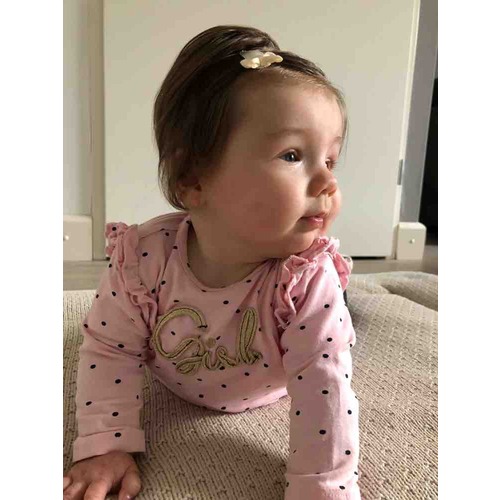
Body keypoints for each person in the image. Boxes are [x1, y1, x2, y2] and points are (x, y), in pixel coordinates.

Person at [63, 25, 360, 500]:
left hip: (278, 373)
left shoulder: (305, 281)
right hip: (179, 376)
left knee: (336, 331)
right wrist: (106, 443)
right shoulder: (143, 261)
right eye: (292, 155)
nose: (328, 182)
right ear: (193, 180)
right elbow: (110, 349)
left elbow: (325, 387)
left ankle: (351, 308)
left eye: (331, 160)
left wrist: (321, 486)